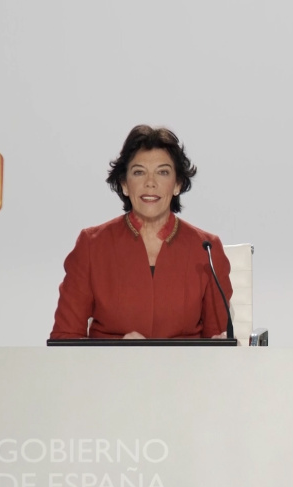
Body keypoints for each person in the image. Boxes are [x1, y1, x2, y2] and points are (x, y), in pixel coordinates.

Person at [50, 125, 232, 340]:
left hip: (184, 363)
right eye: (139, 172)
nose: (150, 183)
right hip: (110, 363)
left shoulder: (207, 249)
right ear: (125, 184)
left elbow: (219, 342)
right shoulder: (92, 245)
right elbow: (64, 339)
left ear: (177, 185)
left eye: (163, 172)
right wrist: (118, 352)